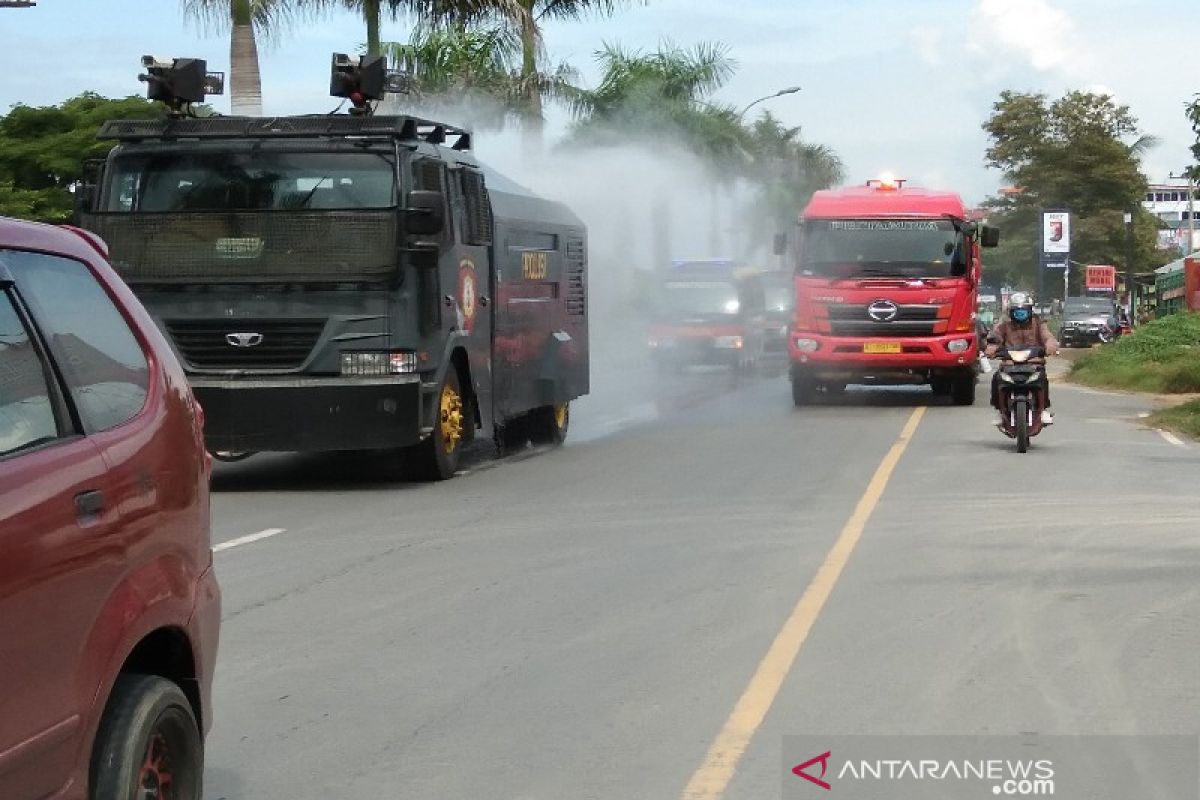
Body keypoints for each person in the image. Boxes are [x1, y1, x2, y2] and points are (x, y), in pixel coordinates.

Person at [984, 291, 1059, 426]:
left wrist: (1050, 346)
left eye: (1023, 310)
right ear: (1011, 312)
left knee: (1042, 378)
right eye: (1016, 311)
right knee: (997, 378)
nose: (1020, 314)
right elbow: (995, 338)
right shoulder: (1004, 324)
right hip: (1009, 363)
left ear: (1030, 310)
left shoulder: (1038, 323)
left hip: (1034, 362)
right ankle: (1000, 411)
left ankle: (1043, 410)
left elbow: (1048, 337)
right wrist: (991, 348)